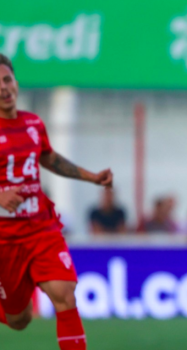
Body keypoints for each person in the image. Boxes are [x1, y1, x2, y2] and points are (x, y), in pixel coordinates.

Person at [0, 54, 113, 350]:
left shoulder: (33, 123)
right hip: (5, 239)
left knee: (65, 293)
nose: (3, 87)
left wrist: (91, 177)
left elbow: (49, 157)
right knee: (19, 320)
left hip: (41, 228)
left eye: (7, 79)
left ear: (16, 83)